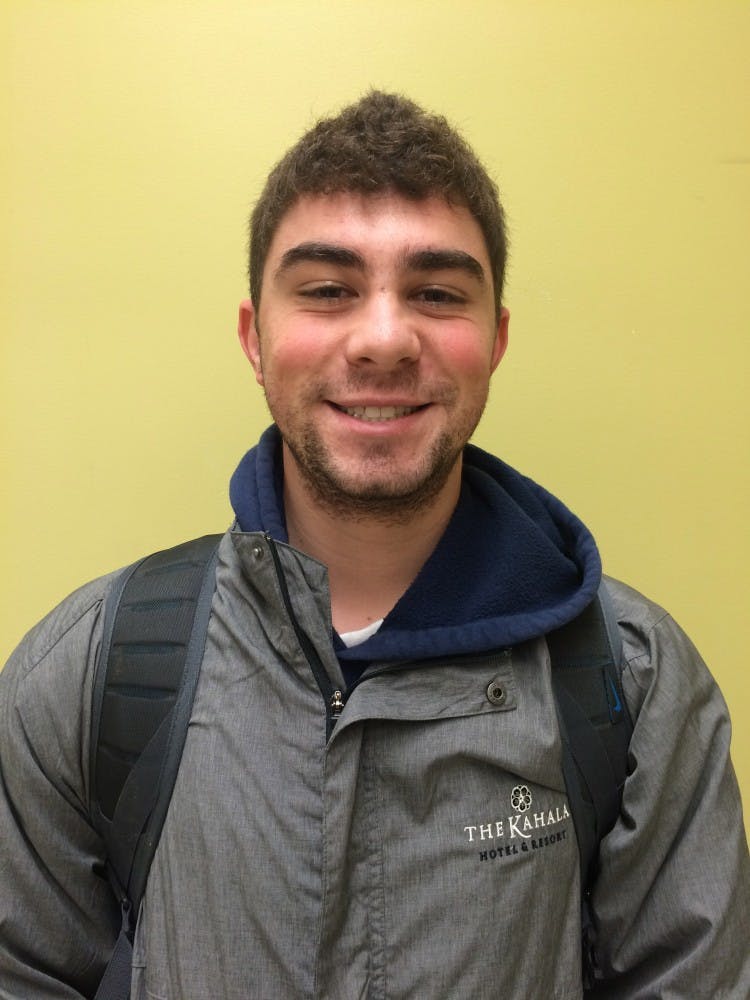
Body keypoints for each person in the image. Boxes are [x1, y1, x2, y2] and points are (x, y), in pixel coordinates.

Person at [0, 91, 747, 999]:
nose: (385, 339)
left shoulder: (636, 683)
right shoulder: (88, 671)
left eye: (437, 293)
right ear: (256, 338)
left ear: (495, 340)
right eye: (327, 290)